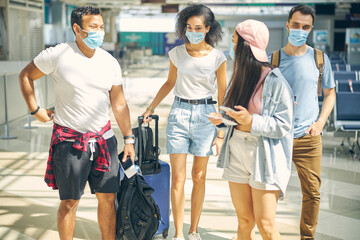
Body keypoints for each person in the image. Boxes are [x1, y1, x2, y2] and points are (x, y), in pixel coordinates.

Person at [18, 6, 135, 240]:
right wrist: (35, 110)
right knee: (70, 201)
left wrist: (128, 139)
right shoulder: (58, 54)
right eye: (93, 27)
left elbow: (119, 104)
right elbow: (26, 75)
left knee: (108, 198)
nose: (99, 32)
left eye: (101, 27)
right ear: (77, 29)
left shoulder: (110, 62)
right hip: (69, 142)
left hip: (104, 141)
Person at [142, 4, 226, 240]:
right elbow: (169, 83)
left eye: (198, 27)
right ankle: (179, 233)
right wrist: (151, 107)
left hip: (206, 116)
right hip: (179, 114)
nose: (193, 31)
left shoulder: (218, 58)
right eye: (189, 27)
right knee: (178, 177)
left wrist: (221, 131)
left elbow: (223, 94)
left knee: (199, 175)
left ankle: (194, 230)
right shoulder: (176, 54)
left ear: (207, 28)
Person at [210, 20, 294, 240]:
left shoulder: (276, 82)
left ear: (245, 46)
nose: (232, 46)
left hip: (263, 155)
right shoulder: (240, 77)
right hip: (236, 150)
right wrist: (224, 120)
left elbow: (283, 125)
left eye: (235, 41)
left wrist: (252, 122)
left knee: (266, 225)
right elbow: (240, 117)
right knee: (244, 222)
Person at [271, 5, 335, 239]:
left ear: (310, 29)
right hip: (278, 137)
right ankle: (270, 233)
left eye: (305, 27)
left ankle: (307, 237)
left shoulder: (320, 59)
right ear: (288, 25)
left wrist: (319, 123)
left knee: (312, 193)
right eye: (295, 25)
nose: (299, 30)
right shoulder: (273, 60)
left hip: (308, 138)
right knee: (269, 191)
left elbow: (330, 94)